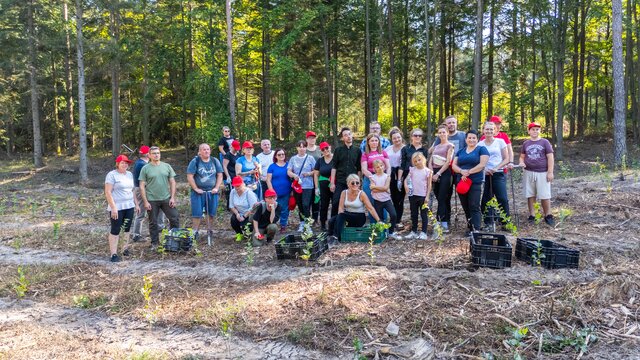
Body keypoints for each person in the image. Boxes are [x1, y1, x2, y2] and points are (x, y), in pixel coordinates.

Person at [138, 146, 180, 249]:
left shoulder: (167, 166)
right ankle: (155, 243)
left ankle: (174, 241)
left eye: (158, 153)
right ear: (149, 155)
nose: (156, 155)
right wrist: (145, 201)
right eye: (154, 153)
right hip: (152, 199)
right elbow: (142, 186)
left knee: (174, 218)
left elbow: (172, 182)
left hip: (166, 198)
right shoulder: (145, 168)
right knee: (153, 222)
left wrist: (172, 197)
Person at [451, 131, 489, 233]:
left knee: (474, 205)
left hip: (475, 181)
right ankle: (470, 227)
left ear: (477, 139)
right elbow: (454, 165)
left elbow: (482, 164)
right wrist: (461, 171)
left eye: (474, 138)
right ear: (466, 139)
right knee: (465, 205)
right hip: (461, 182)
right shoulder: (460, 151)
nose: (471, 140)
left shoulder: (481, 149)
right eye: (469, 138)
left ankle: (476, 229)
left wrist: (468, 172)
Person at [519, 122, 555, 226]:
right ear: (529, 131)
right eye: (533, 129)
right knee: (530, 194)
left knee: (544, 195)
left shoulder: (545, 142)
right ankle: (532, 215)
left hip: (542, 172)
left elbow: (550, 157)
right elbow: (522, 156)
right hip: (529, 172)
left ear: (540, 131)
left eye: (537, 129)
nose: (535, 131)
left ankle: (548, 215)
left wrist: (550, 172)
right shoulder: (526, 143)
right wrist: (521, 162)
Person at [105, 155, 140, 262]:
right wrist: (113, 207)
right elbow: (108, 192)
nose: (125, 165)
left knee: (127, 228)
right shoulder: (112, 175)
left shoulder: (129, 174)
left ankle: (125, 248)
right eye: (122, 163)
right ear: (117, 164)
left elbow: (132, 190)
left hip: (129, 206)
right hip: (117, 207)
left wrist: (137, 204)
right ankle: (113, 254)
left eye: (126, 163)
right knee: (115, 229)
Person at [327, 174, 381, 242]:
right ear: (348, 184)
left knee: (341, 216)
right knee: (332, 220)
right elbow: (340, 209)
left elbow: (370, 208)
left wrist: (378, 220)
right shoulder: (344, 193)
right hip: (347, 215)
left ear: (359, 184)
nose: (355, 184)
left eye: (357, 183)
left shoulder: (361, 194)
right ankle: (329, 236)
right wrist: (338, 220)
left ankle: (336, 237)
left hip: (359, 217)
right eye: (352, 183)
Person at [186, 143, 224, 238]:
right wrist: (196, 188)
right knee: (197, 213)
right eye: (204, 149)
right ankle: (195, 232)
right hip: (198, 192)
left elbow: (220, 175)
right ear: (199, 152)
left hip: (212, 192)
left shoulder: (214, 161)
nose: (206, 151)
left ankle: (209, 230)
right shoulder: (195, 161)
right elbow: (190, 176)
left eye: (208, 149)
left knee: (211, 212)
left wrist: (216, 187)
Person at [478, 122, 510, 229]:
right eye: (487, 129)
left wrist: (496, 167)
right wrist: (485, 169)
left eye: (492, 129)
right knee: (486, 199)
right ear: (483, 130)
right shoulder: (480, 144)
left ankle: (505, 221)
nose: (489, 131)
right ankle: (489, 222)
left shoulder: (500, 142)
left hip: (498, 173)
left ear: (495, 131)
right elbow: (478, 160)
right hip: (485, 174)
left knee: (502, 198)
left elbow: (507, 158)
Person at [131, 145, 164, 242]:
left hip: (141, 189)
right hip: (141, 189)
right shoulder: (143, 165)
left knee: (143, 212)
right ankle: (136, 235)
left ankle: (156, 229)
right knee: (141, 213)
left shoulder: (140, 162)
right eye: (151, 153)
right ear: (147, 154)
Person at [428, 125, 455, 233]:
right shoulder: (436, 146)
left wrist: (438, 173)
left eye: (444, 132)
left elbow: (448, 162)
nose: (442, 134)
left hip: (444, 173)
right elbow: (430, 160)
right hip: (434, 173)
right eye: (440, 133)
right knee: (438, 197)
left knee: (443, 197)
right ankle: (444, 220)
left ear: (447, 133)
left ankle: (441, 223)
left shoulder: (450, 146)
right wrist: (431, 173)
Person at [330, 127, 361, 217]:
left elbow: (359, 168)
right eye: (345, 135)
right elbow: (334, 167)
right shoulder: (338, 150)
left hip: (353, 182)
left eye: (349, 134)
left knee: (351, 204)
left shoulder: (357, 150)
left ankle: (348, 224)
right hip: (340, 180)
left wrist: (359, 182)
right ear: (342, 138)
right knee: (336, 202)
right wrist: (332, 183)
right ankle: (333, 224)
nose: (348, 136)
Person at [287, 140, 316, 231]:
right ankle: (302, 223)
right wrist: (294, 175)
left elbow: (316, 171)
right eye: (300, 146)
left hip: (308, 186)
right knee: (299, 205)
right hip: (297, 186)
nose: (302, 148)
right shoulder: (293, 159)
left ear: (306, 148)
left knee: (306, 204)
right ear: (297, 148)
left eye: (303, 146)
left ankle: (308, 223)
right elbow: (289, 171)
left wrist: (308, 174)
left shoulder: (310, 158)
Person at [361, 133, 391, 222]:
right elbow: (364, 169)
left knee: (384, 203)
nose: (374, 142)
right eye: (372, 141)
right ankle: (374, 227)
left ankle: (384, 228)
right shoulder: (365, 154)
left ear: (378, 142)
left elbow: (388, 167)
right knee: (371, 204)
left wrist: (388, 177)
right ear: (368, 143)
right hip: (370, 180)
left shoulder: (383, 152)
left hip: (383, 180)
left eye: (376, 140)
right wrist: (372, 178)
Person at [403, 153, 432, 240]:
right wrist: (405, 186)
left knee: (424, 214)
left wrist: (427, 196)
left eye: (419, 160)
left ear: (423, 159)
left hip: (423, 196)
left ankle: (424, 232)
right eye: (415, 161)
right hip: (413, 195)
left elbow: (429, 185)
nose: (417, 162)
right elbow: (406, 180)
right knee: (414, 214)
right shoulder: (412, 170)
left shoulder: (428, 171)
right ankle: (414, 231)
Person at [370, 160, 398, 239]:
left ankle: (391, 232)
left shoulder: (387, 176)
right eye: (377, 167)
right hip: (377, 201)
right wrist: (384, 189)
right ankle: (383, 234)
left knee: (393, 215)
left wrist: (375, 187)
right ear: (374, 169)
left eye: (381, 166)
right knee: (380, 218)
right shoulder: (372, 177)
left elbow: (386, 187)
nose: (380, 168)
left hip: (387, 200)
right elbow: (373, 190)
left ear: (384, 166)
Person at [385, 127, 406, 229]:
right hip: (390, 174)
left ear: (401, 137)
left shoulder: (405, 148)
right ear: (391, 139)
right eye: (394, 138)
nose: (397, 140)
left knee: (400, 198)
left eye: (398, 137)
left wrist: (400, 178)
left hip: (401, 174)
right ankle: (394, 218)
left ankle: (398, 219)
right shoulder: (388, 149)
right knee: (393, 197)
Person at [267, 148, 292, 232]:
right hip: (275, 192)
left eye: (283, 154)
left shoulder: (288, 165)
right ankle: (272, 225)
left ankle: (283, 225)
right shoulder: (272, 166)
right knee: (274, 208)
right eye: (279, 154)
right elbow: (268, 180)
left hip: (286, 191)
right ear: (276, 156)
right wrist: (272, 192)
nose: (281, 156)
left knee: (285, 209)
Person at [314, 142, 334, 231]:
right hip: (323, 185)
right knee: (324, 205)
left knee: (335, 204)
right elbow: (316, 174)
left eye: (326, 148)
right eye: (323, 149)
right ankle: (323, 224)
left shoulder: (335, 158)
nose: (325, 150)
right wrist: (316, 187)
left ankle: (334, 223)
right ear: (321, 151)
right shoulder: (320, 160)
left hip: (334, 184)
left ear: (330, 147)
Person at [305, 131, 322, 224]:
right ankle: (306, 219)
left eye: (314, 138)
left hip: (319, 178)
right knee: (307, 200)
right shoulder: (304, 150)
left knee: (317, 199)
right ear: (307, 139)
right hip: (306, 179)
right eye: (310, 138)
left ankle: (315, 219)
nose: (312, 139)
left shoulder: (320, 149)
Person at [223, 139, 241, 208]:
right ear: (232, 147)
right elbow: (224, 166)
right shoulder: (228, 155)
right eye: (235, 148)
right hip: (229, 175)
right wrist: (228, 176)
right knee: (229, 191)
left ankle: (236, 205)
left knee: (237, 191)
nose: (236, 150)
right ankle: (229, 206)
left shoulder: (238, 155)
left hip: (236, 176)